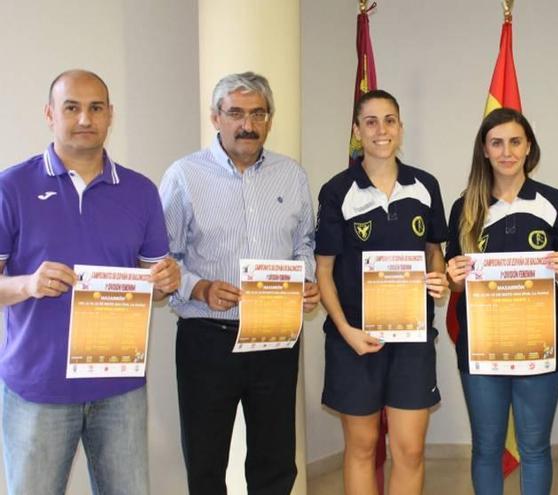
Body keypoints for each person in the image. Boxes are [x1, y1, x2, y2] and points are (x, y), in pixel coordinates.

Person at [0, 69, 180, 495]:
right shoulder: (12, 186)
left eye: (96, 108)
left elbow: (154, 277)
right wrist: (27, 284)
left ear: (110, 115)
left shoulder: (140, 191)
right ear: (50, 114)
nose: (85, 118)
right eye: (72, 107)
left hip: (120, 388)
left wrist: (166, 280)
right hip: (38, 388)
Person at [159, 71, 319, 495]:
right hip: (207, 339)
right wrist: (199, 287)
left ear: (269, 119)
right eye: (235, 113)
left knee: (275, 461)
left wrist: (305, 279)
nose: (247, 124)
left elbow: (305, 243)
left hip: (276, 340)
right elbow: (164, 259)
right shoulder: (184, 176)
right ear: (216, 118)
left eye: (257, 114)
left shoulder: (292, 175)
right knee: (207, 461)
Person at [315, 89, 448, 495]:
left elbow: (434, 253)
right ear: (357, 130)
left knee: (409, 450)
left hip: (412, 341)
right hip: (356, 341)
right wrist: (345, 330)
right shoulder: (337, 191)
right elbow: (323, 271)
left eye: (389, 120)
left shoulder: (425, 186)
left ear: (400, 128)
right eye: (370, 121)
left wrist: (439, 276)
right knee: (362, 447)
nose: (381, 130)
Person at [446, 107, 558, 495]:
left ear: (529, 147)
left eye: (515, 142)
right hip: (482, 348)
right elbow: (456, 284)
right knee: (486, 448)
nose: (507, 151)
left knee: (535, 448)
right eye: (497, 143)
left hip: (540, 347)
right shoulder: (464, 207)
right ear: (484, 150)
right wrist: (454, 279)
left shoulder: (554, 201)